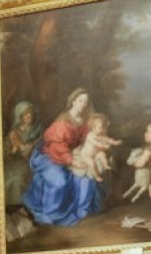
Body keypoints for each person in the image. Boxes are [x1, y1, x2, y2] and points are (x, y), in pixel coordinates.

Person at [21, 88, 104, 227]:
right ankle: (49, 214)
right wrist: (72, 161)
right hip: (51, 155)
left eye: (86, 101)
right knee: (61, 182)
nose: (83, 104)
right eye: (80, 100)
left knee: (87, 175)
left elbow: (86, 141)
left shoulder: (85, 121)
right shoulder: (63, 122)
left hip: (72, 153)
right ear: (72, 102)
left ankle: (81, 210)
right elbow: (56, 145)